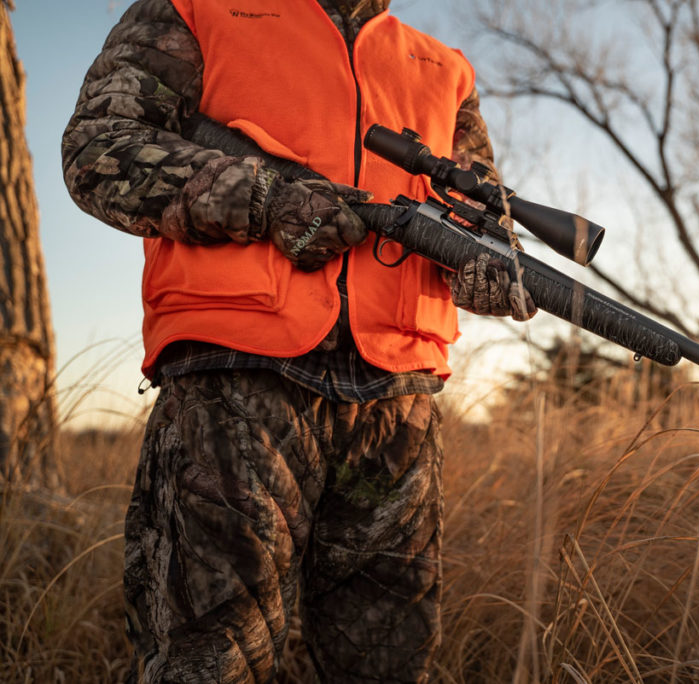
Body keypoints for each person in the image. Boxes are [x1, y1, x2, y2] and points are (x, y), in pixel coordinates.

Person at [61, 1, 534, 681]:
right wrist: (263, 199)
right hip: (233, 386)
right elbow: (97, 147)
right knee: (214, 659)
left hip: (396, 406)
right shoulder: (198, 10)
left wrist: (490, 269)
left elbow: (484, 216)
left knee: (392, 662)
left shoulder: (445, 68)